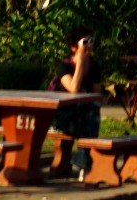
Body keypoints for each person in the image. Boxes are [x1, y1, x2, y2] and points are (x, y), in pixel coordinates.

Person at [49, 31, 102, 177]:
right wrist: (80, 62)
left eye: (91, 41)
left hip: (83, 114)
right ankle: (83, 158)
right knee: (90, 113)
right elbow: (73, 88)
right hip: (60, 115)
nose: (89, 46)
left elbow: (96, 95)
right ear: (73, 47)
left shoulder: (94, 66)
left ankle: (82, 157)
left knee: (92, 109)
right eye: (84, 43)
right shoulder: (64, 66)